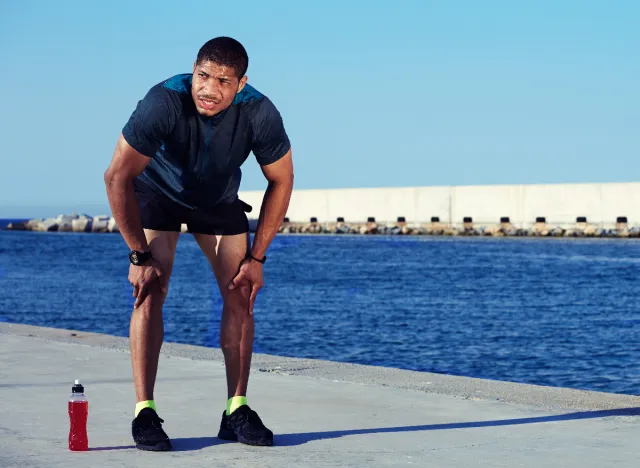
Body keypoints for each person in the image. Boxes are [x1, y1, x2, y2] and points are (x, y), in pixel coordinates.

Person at [103, 36, 294, 451]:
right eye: (203, 76)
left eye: (223, 81)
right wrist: (138, 255)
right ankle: (145, 411)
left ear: (241, 83)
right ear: (193, 69)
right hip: (158, 195)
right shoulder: (165, 101)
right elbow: (116, 176)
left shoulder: (259, 112)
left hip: (217, 199)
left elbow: (282, 179)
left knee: (241, 290)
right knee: (150, 291)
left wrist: (257, 257)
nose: (209, 89)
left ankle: (236, 408)